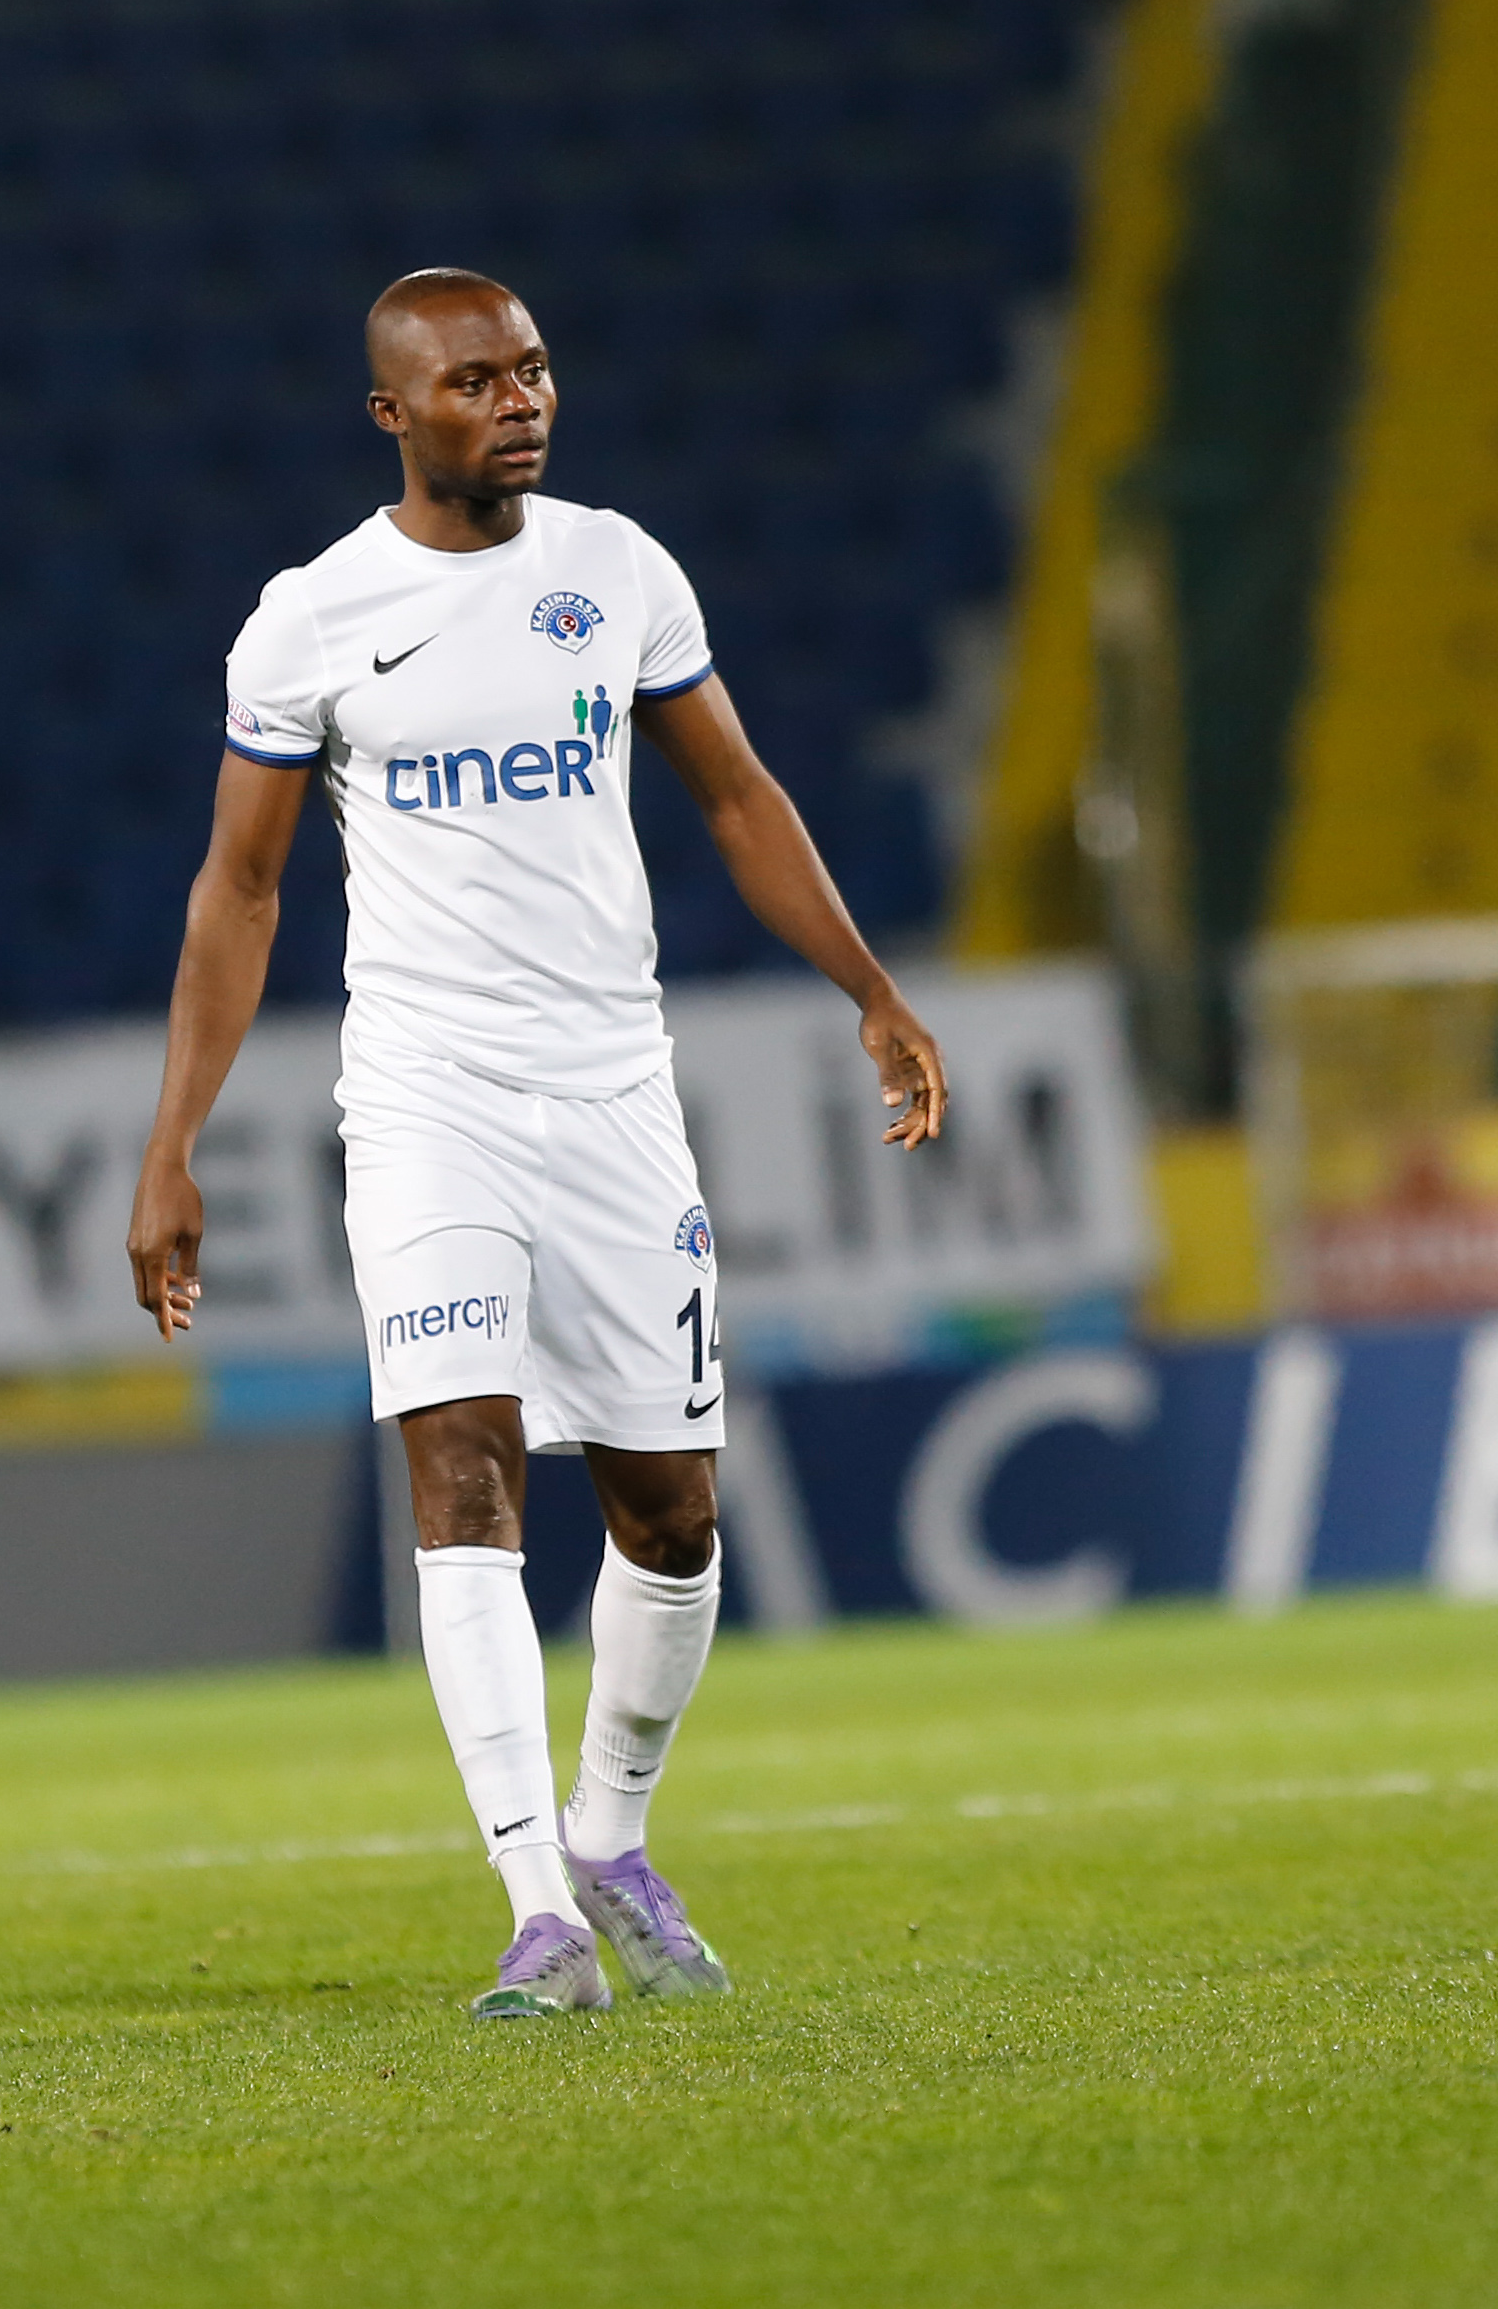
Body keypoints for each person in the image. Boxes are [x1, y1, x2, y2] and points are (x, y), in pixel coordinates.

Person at [128, 268, 946, 2019]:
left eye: (535, 370)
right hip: (425, 1100)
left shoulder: (616, 570)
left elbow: (736, 795)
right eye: (478, 381)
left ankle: (612, 1840)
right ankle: (536, 1914)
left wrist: (869, 988)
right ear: (393, 413)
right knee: (465, 1476)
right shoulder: (311, 620)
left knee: (674, 1514)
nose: (522, 401)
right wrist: (172, 1142)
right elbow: (240, 890)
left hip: (615, 1096)